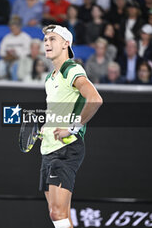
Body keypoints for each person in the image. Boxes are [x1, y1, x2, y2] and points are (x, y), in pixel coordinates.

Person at [40, 24, 102, 228]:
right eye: (45, 40)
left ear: (66, 44)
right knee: (59, 216)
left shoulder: (72, 69)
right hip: (49, 149)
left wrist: (72, 127)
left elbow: (95, 99)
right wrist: (46, 128)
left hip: (66, 148)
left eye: (52, 39)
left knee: (58, 214)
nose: (47, 43)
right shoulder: (50, 78)